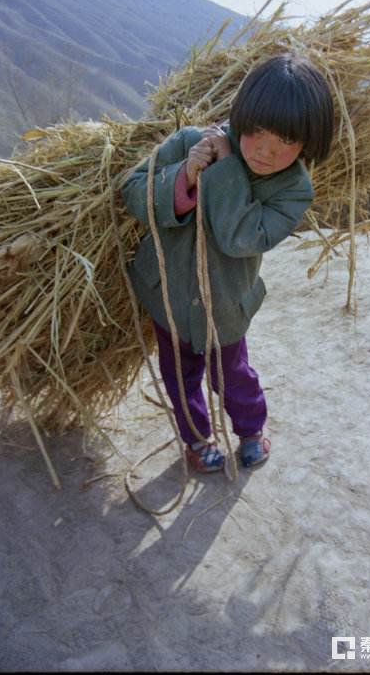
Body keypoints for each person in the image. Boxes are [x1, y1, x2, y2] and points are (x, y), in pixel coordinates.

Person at [121, 54, 334, 473]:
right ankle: (198, 441)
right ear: (241, 116)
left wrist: (225, 169)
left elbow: (241, 239)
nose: (267, 151)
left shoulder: (292, 189)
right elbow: (132, 191)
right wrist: (184, 173)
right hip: (169, 298)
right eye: (255, 132)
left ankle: (251, 430)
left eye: (285, 141)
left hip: (226, 305)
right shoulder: (190, 142)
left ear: (308, 142)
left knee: (233, 375)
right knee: (180, 378)